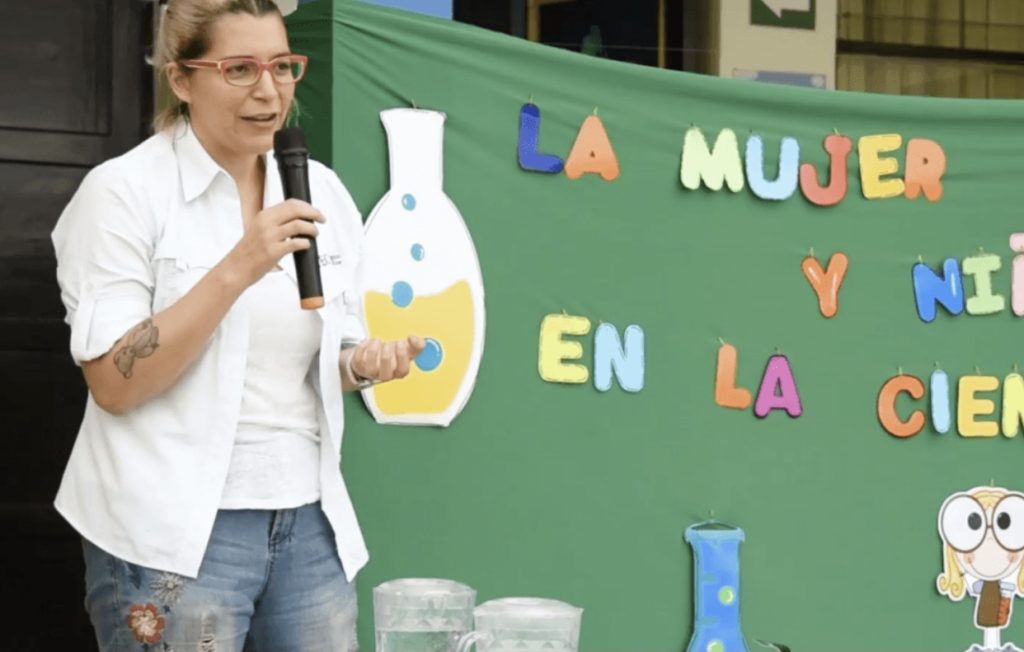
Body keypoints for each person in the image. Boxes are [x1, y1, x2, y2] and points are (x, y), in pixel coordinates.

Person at [50, 1, 422, 649]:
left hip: (308, 522)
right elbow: (114, 382)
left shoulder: (320, 191)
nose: (269, 91)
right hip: (170, 533)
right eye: (240, 69)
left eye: (283, 66)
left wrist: (361, 363)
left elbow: (325, 349)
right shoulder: (123, 193)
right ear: (181, 78)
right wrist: (238, 267)